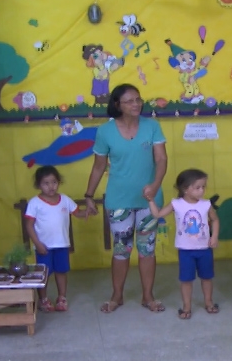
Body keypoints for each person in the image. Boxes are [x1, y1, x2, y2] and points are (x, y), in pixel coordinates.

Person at [83, 84, 168, 314]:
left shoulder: (152, 126)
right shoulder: (105, 131)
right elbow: (98, 167)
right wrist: (89, 195)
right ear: (117, 105)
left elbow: (161, 159)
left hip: (149, 200)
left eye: (138, 99)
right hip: (119, 200)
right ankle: (117, 296)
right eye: (129, 101)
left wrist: (155, 185)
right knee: (121, 250)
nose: (136, 104)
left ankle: (148, 296)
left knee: (147, 249)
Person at [147, 169, 220, 320]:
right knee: (186, 280)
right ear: (185, 189)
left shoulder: (206, 204)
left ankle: (209, 302)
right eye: (197, 187)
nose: (202, 190)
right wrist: (151, 200)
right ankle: (186, 307)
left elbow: (215, 220)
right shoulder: (176, 204)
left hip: (205, 249)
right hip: (185, 251)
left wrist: (214, 237)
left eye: (203, 187)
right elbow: (158, 214)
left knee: (207, 277)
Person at [24, 165, 88, 312]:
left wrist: (88, 212)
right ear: (38, 185)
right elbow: (29, 225)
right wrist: (37, 244)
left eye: (54, 182)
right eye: (46, 183)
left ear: (59, 182)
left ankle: (62, 298)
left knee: (61, 271)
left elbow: (77, 213)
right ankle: (43, 300)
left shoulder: (65, 199)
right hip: (43, 246)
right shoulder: (35, 203)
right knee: (43, 274)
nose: (51, 186)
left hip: (62, 245)